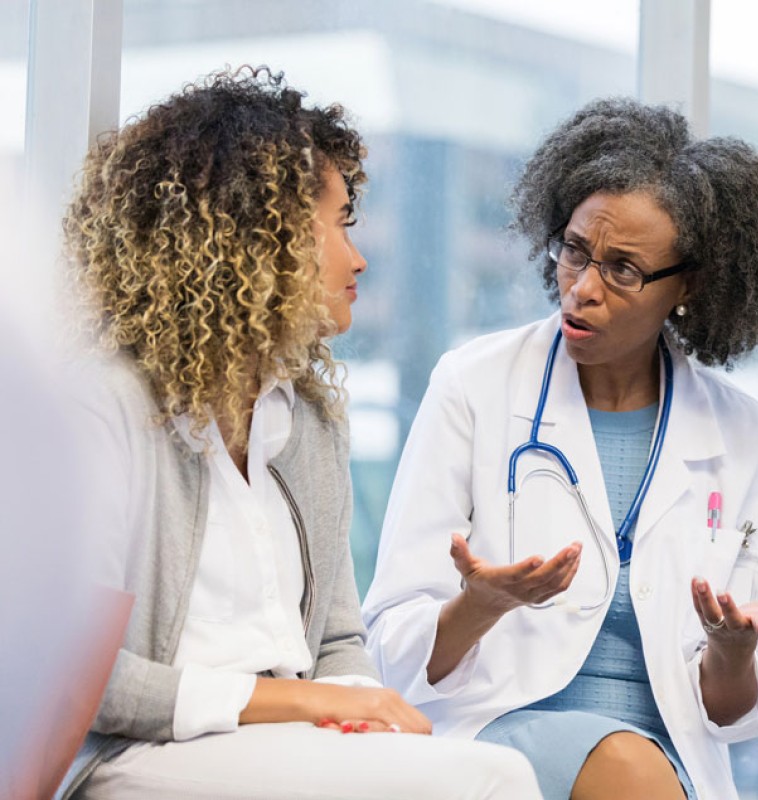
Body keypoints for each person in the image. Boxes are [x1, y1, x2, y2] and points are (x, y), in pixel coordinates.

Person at [57, 67, 541, 800]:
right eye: (341, 223)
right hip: (138, 755)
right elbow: (84, 680)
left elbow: (340, 640)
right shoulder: (107, 411)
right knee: (493, 780)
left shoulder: (309, 420)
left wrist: (358, 709)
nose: (359, 258)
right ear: (261, 239)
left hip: (285, 748)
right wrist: (316, 702)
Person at [363, 97, 758, 800]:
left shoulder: (744, 435)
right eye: (575, 251)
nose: (582, 289)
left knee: (638, 770)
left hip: (675, 765)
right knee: (626, 769)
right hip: (499, 734)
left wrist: (734, 652)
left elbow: (738, 716)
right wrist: (480, 605)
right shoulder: (474, 387)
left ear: (687, 287)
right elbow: (390, 650)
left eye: (623, 269)